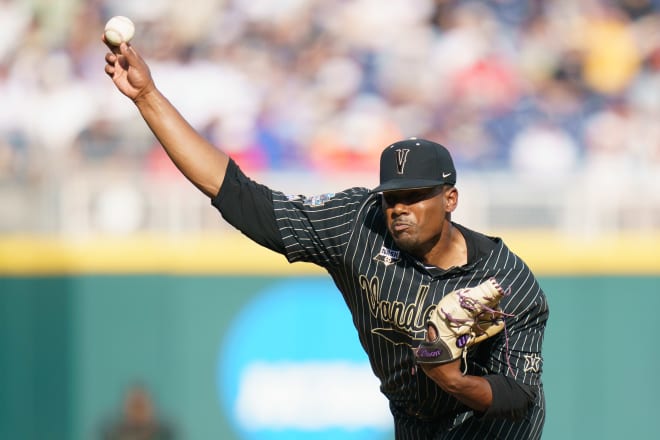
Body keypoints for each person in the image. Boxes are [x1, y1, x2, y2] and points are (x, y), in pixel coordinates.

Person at [103, 39, 549, 440]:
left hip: (493, 425)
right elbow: (242, 199)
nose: (399, 208)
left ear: (450, 198)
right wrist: (146, 97)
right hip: (416, 419)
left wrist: (450, 378)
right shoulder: (359, 223)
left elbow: (520, 395)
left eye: (414, 196)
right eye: (392, 196)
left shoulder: (506, 277)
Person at [100, 384, 176, 440]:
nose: (137, 412)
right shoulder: (111, 434)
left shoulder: (165, 434)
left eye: (141, 406)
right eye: (134, 406)